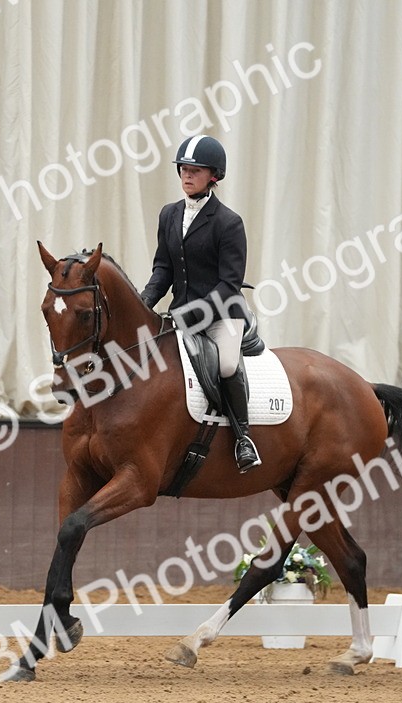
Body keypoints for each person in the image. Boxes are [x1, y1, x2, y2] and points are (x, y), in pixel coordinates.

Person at [139, 134, 261, 473]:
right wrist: (144, 303)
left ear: (214, 176)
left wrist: (194, 314)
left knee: (225, 366)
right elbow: (163, 268)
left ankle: (243, 438)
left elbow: (229, 283)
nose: (187, 176)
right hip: (181, 313)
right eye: (183, 169)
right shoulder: (169, 214)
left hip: (222, 314)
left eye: (196, 170)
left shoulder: (229, 223)